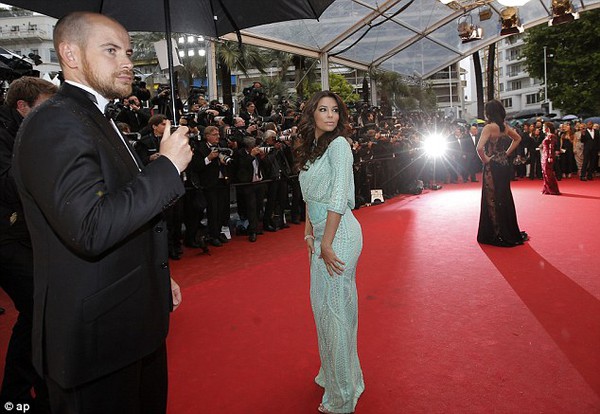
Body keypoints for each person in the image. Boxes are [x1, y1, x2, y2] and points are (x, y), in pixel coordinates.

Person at [11, 12, 192, 414]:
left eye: (127, 51)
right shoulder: (55, 122)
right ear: (69, 54)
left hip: (131, 323)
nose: (126, 61)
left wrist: (155, 271)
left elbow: (121, 207)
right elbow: (90, 227)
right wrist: (166, 167)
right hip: (96, 343)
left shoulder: (97, 117)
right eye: (110, 51)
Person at [295, 91, 364, 414]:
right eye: (323, 109)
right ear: (312, 114)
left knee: (335, 312)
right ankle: (338, 375)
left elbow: (338, 197)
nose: (330, 115)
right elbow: (309, 198)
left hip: (341, 236)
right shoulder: (311, 150)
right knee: (322, 309)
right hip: (322, 235)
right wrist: (309, 233)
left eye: (335, 110)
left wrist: (326, 242)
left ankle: (343, 396)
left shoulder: (339, 146)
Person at [0, 76, 57, 413]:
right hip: (5, 237)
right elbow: (10, 186)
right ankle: (14, 399)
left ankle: (35, 390)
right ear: (22, 107)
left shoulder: (27, 130)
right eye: (45, 108)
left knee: (40, 309)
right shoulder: (7, 134)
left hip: (22, 233)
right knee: (37, 307)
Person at [476, 99, 528, 247]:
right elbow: (518, 138)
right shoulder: (504, 127)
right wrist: (506, 153)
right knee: (504, 197)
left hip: (492, 167)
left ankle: (497, 232)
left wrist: (486, 159)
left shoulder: (489, 128)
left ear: (489, 112)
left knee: (492, 197)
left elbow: (479, 148)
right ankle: (508, 229)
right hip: (504, 165)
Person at [540, 122, 561, 195]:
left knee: (548, 173)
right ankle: (547, 189)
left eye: (543, 127)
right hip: (544, 156)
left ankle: (553, 189)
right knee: (545, 173)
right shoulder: (547, 136)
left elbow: (551, 147)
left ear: (547, 128)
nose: (542, 129)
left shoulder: (551, 136)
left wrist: (550, 156)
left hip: (548, 156)